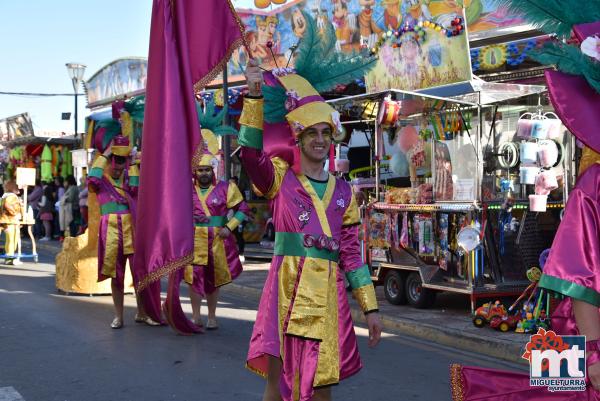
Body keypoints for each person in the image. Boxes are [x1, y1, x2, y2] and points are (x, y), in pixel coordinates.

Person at [241, 58, 382, 401]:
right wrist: (255, 94)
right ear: (298, 137)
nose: (319, 140)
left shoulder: (346, 193)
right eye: (311, 133)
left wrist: (371, 308)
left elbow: (351, 254)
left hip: (328, 296)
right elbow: (248, 154)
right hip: (285, 292)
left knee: (322, 387)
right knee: (277, 385)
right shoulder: (278, 179)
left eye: (325, 133)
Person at [87, 135, 158, 329]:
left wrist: (133, 161)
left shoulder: (129, 180)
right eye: (115, 161)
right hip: (109, 232)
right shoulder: (100, 182)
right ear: (109, 161)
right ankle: (118, 316)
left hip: (131, 231)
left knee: (140, 274)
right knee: (115, 276)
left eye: (122, 161)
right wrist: (106, 154)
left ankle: (142, 313)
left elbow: (136, 188)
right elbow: (91, 177)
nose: (118, 166)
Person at [185, 128, 251, 330]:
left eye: (207, 169)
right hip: (193, 240)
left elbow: (243, 209)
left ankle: (212, 316)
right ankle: (196, 316)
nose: (204, 173)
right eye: (200, 170)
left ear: (212, 170)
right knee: (193, 278)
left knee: (213, 279)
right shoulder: (186, 189)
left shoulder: (226, 188)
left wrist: (229, 228)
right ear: (195, 171)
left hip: (217, 241)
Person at [0, 181, 23, 265]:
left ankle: (8, 258)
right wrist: (14, 213)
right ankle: (10, 258)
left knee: (9, 240)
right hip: (11, 221)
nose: (19, 192)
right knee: (12, 240)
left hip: (5, 220)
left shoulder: (5, 196)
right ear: (13, 188)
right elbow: (7, 205)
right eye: (17, 189)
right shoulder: (12, 196)